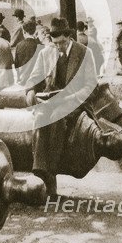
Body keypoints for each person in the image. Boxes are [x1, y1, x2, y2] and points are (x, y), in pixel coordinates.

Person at [24, 17, 98, 195]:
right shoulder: (46, 52)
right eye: (55, 43)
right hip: (51, 100)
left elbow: (91, 86)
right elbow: (34, 78)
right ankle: (41, 170)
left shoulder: (85, 53)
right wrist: (30, 91)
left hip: (76, 102)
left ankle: (48, 173)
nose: (59, 47)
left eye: (62, 43)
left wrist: (69, 97)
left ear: (69, 37)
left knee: (56, 117)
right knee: (41, 118)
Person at [14, 20, 41, 85]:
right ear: (34, 30)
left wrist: (18, 78)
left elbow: (16, 64)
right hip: (36, 81)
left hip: (23, 80)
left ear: (24, 31)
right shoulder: (39, 45)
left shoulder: (19, 45)